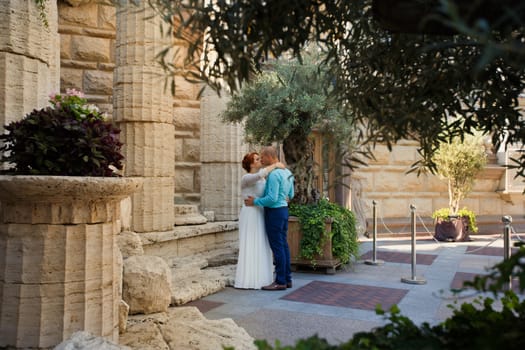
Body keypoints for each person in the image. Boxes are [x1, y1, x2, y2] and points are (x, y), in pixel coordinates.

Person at [245, 146, 294, 291]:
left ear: (269, 156)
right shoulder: (287, 172)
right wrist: (283, 199)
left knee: (277, 247)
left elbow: (271, 199)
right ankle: (287, 279)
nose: (262, 160)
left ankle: (280, 281)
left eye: (262, 157)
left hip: (274, 213)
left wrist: (255, 202)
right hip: (284, 211)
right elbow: (291, 194)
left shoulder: (273, 175)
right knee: (284, 245)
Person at [234, 152, 285, 289]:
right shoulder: (247, 178)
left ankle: (262, 278)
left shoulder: (264, 179)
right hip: (250, 214)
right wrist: (275, 164)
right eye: (257, 159)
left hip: (261, 212)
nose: (260, 160)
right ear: (251, 164)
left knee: (262, 244)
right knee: (251, 243)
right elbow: (259, 175)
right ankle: (249, 279)